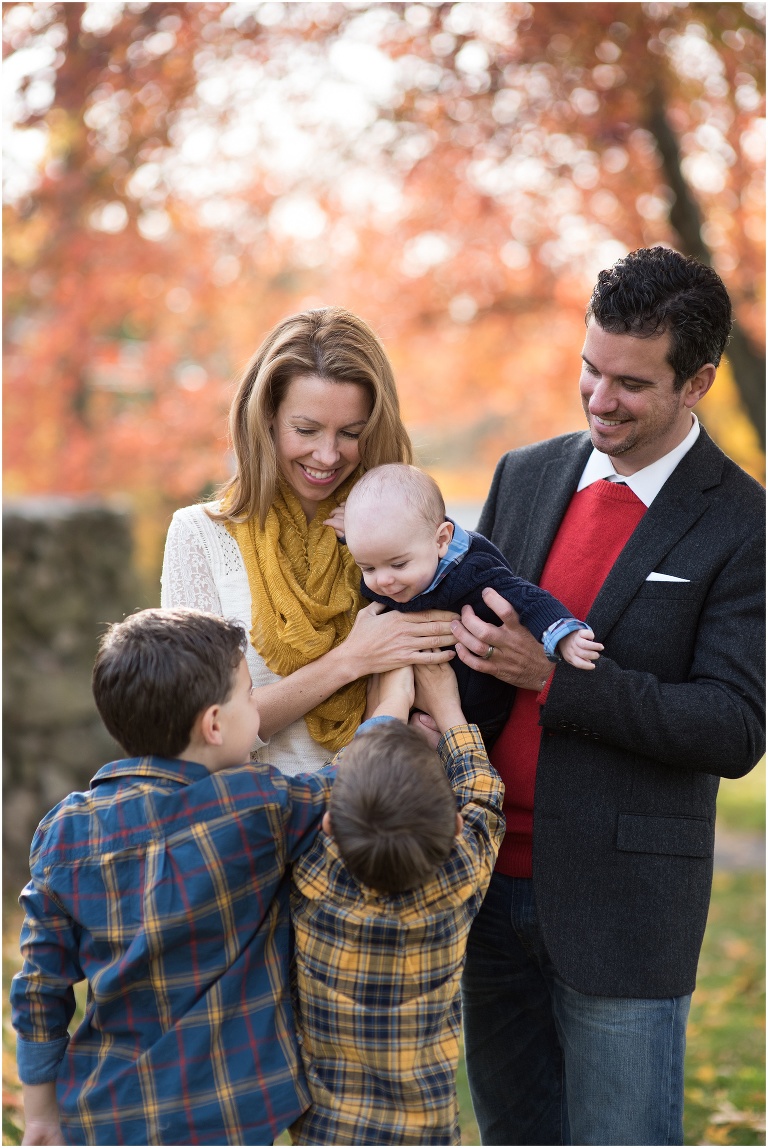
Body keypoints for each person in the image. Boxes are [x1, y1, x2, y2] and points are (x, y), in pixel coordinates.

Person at [446, 246, 766, 1146]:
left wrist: (557, 681)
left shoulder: (744, 524)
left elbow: (734, 725)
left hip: (623, 909)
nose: (598, 397)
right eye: (589, 368)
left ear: (697, 382)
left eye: (630, 382)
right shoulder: (526, 474)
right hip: (488, 887)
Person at [10, 607, 340, 1147]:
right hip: (228, 1114)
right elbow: (349, 782)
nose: (257, 709)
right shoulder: (253, 805)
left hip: (105, 1113)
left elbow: (40, 987)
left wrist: (43, 1115)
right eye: (250, 697)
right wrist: (393, 695)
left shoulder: (64, 831)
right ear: (214, 724)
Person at [161, 307, 456, 775]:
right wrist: (351, 660)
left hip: (373, 826)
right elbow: (194, 732)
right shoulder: (200, 536)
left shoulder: (405, 532)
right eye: (306, 430)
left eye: (351, 433)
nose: (327, 454)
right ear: (267, 418)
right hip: (247, 829)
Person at [289, 661, 505, 1146]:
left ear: (329, 828)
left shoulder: (311, 874)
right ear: (452, 828)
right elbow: (483, 797)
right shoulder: (457, 877)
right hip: (425, 1134)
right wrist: (447, 708)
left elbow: (313, 792)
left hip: (325, 1133)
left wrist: (386, 710)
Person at [333, 462, 601, 748]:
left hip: (474, 715)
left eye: (398, 564)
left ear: (442, 540)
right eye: (368, 568)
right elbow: (382, 542)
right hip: (412, 703)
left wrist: (562, 634)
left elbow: (526, 597)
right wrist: (351, 532)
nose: (384, 581)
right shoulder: (399, 548)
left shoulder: (474, 571)